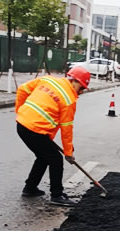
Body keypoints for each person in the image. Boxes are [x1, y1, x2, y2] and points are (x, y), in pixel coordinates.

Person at [15, 66, 91, 207]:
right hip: (34, 130)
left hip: (22, 125)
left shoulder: (47, 80)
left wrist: (19, 111)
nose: (81, 91)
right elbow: (66, 129)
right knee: (55, 159)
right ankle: (56, 195)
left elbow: (22, 89)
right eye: (82, 87)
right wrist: (68, 153)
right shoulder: (69, 100)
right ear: (75, 81)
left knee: (44, 157)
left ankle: (30, 188)